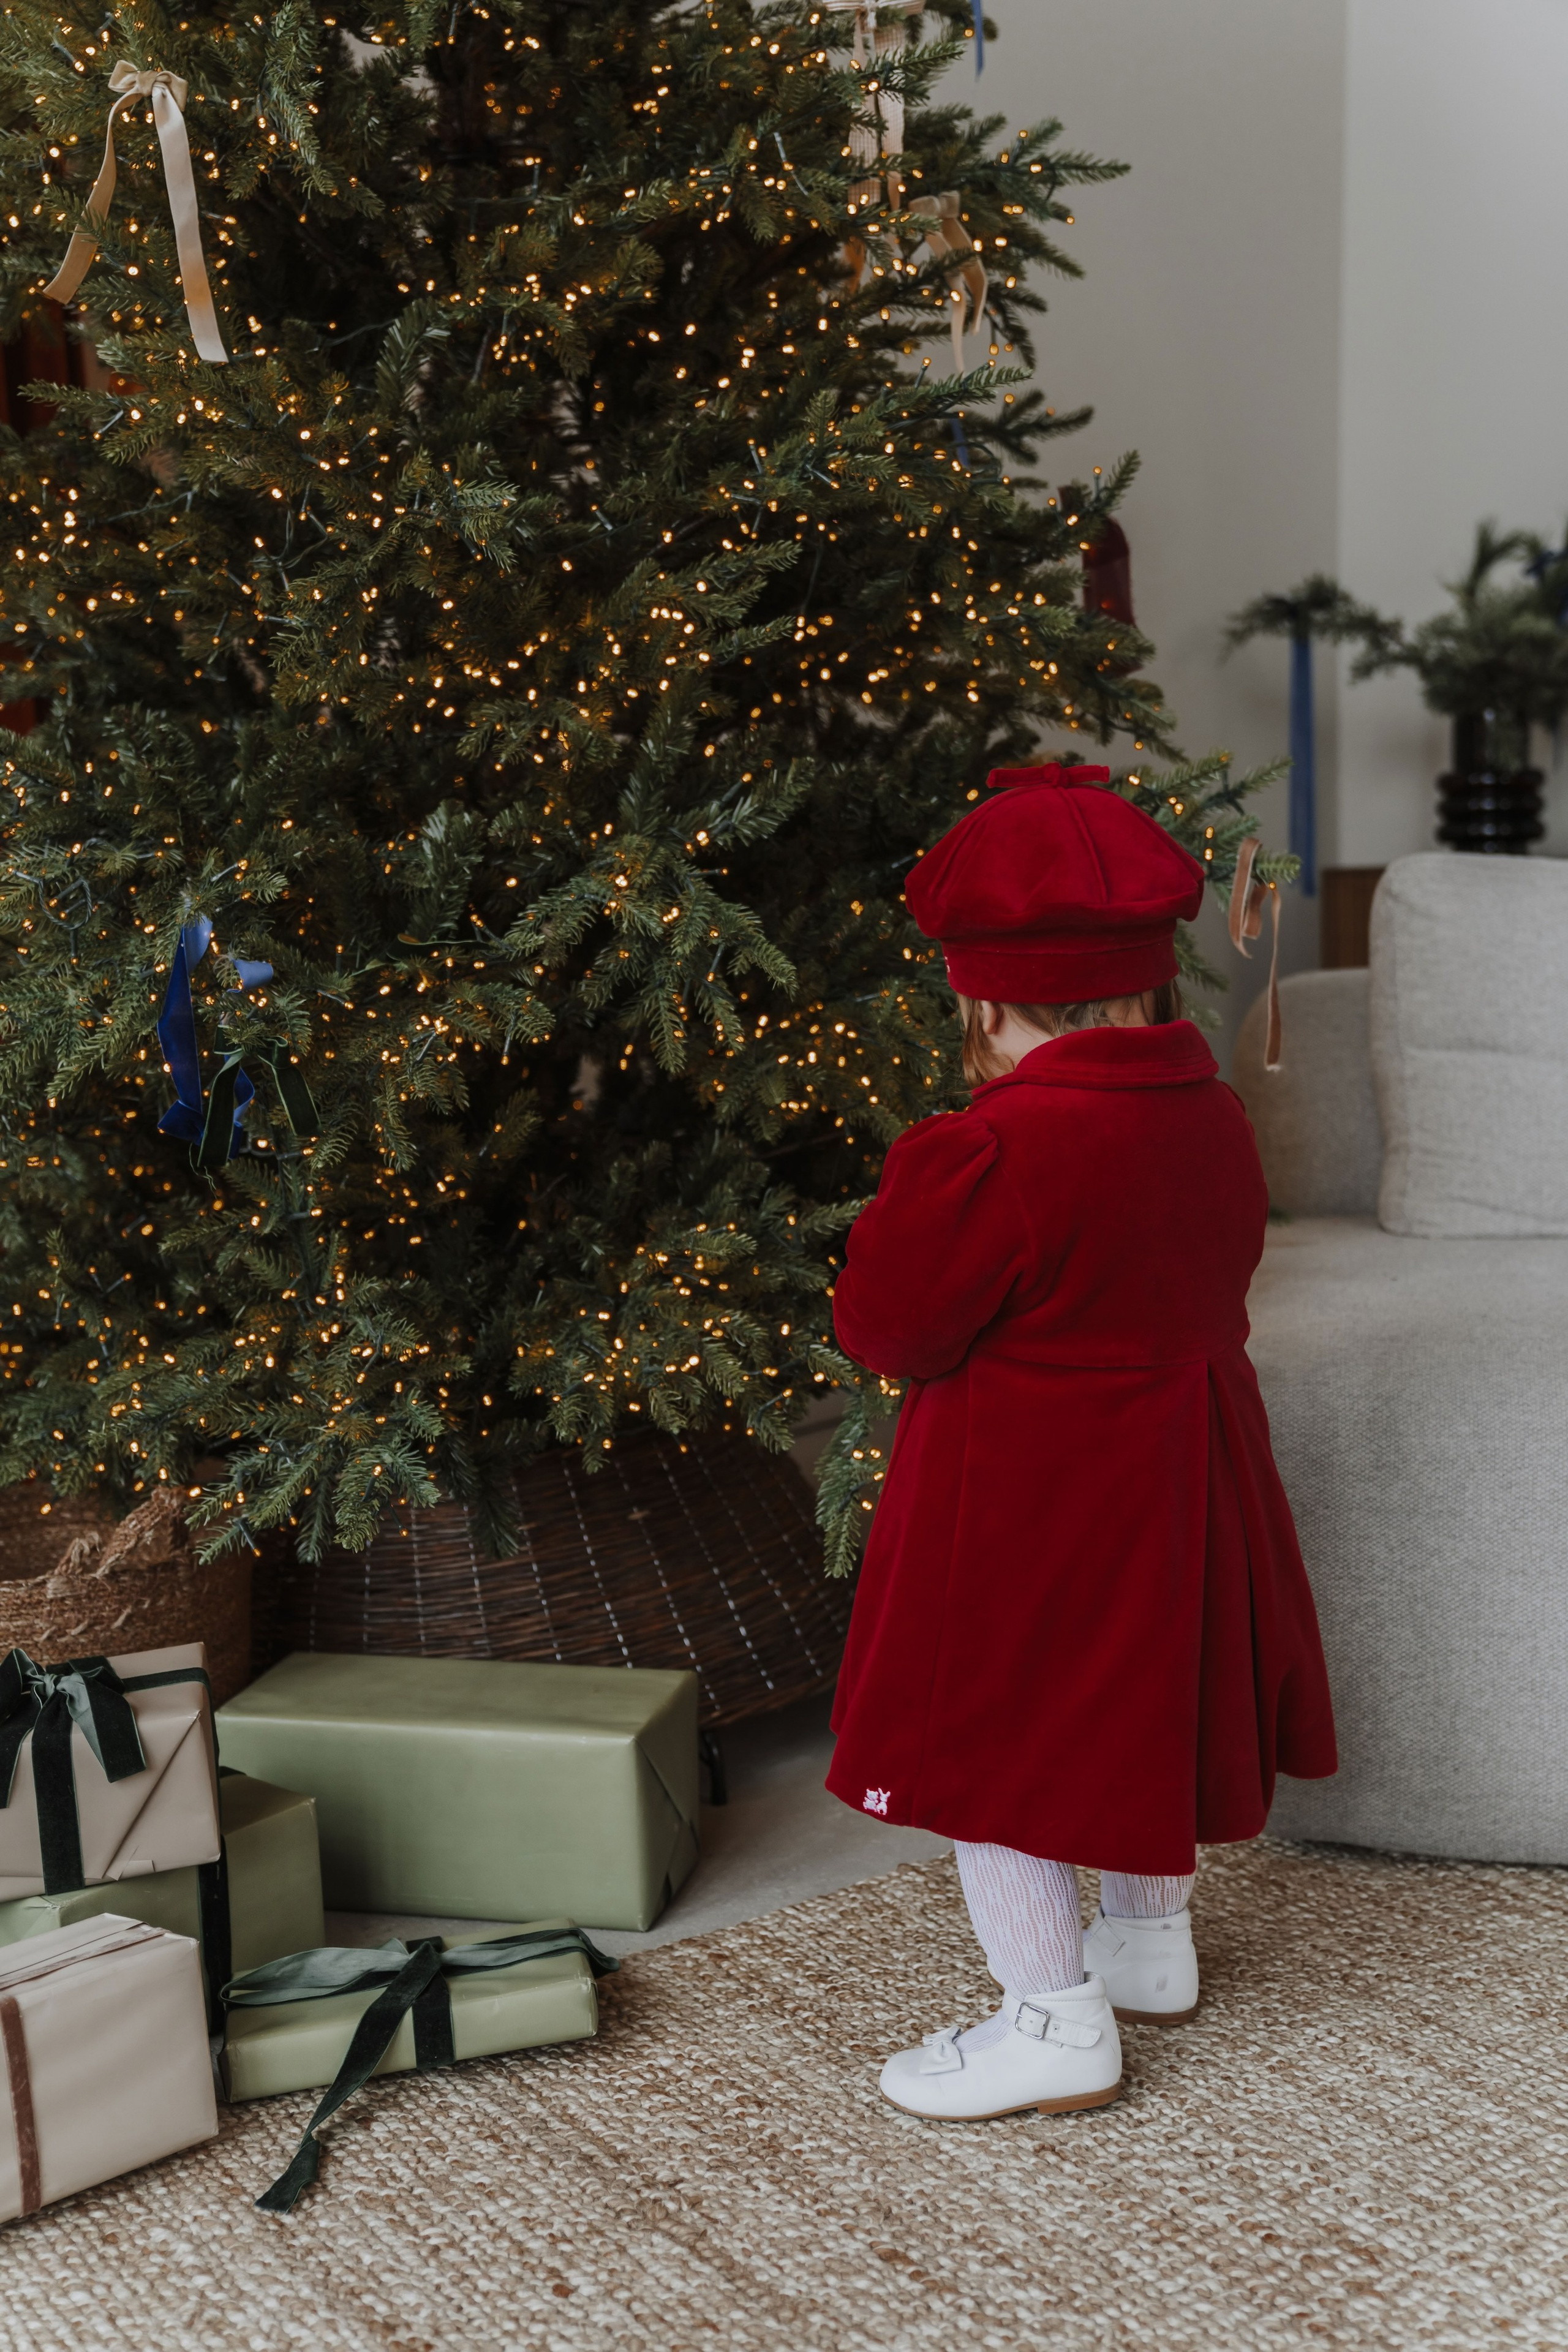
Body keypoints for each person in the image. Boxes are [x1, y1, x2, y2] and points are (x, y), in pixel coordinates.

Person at [826, 762, 1336, 2122]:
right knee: (1140, 1702)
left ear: (976, 998)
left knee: (994, 1754)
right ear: (1149, 987)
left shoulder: (985, 1155)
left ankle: (1051, 2018)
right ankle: (1147, 1942)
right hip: (1184, 1475)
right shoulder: (1214, 1121)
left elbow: (889, 1328)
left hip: (1025, 1501)